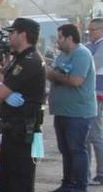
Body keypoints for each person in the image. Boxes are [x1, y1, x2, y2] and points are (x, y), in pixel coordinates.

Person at [0, 17, 45, 192]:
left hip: (22, 132)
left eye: (13, 33)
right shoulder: (21, 58)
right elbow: (5, 84)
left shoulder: (29, 60)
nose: (9, 37)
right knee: (7, 180)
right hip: (14, 129)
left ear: (23, 34)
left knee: (18, 181)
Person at [47, 23, 97, 192]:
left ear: (69, 38)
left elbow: (76, 80)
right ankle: (67, 183)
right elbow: (58, 75)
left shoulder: (81, 54)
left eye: (60, 37)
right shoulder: (62, 55)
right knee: (66, 150)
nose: (57, 41)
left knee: (77, 150)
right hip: (62, 112)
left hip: (78, 113)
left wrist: (52, 74)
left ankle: (79, 186)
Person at [86, 17, 103, 186]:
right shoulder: (90, 46)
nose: (89, 33)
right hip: (89, 95)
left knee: (95, 136)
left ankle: (101, 173)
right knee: (90, 136)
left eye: (93, 30)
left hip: (97, 95)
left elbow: (91, 66)